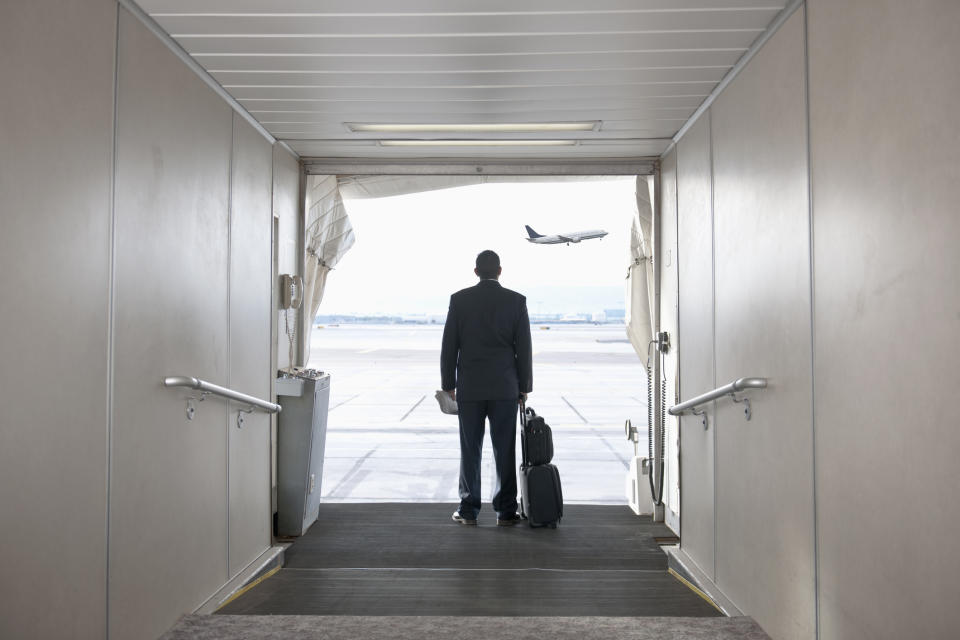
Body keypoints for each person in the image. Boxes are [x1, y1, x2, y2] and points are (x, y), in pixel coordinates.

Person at [441, 250, 533, 526]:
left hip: (470, 387)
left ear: (476, 271)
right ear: (500, 271)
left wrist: (449, 385)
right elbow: (524, 349)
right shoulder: (516, 301)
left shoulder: (459, 300)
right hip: (505, 386)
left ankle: (468, 510)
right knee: (504, 449)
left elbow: (449, 346)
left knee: (470, 449)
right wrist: (524, 386)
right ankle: (506, 511)